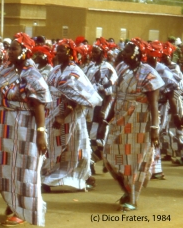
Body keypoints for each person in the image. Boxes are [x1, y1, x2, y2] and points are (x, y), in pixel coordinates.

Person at [0, 32, 50, 226]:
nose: (9, 51)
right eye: (9, 48)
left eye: (14, 48)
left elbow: (38, 104)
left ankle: (22, 211)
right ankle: (13, 201)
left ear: (25, 51)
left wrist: (41, 133)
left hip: (24, 126)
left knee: (23, 170)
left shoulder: (32, 75)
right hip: (4, 125)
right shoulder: (7, 71)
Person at [103, 38, 164, 212]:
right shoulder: (123, 69)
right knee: (109, 155)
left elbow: (153, 103)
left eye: (128, 51)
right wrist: (108, 119)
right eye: (124, 51)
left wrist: (154, 129)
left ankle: (133, 199)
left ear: (137, 54)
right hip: (120, 120)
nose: (124, 54)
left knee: (134, 162)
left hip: (140, 122)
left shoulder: (148, 72)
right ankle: (127, 190)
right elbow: (117, 98)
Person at [41, 39, 102, 192]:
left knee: (76, 148)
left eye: (62, 50)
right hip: (52, 112)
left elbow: (77, 96)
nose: (58, 53)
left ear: (69, 53)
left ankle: (80, 178)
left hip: (70, 116)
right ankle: (48, 177)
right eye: (58, 50)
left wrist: (63, 115)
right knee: (54, 145)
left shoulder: (75, 72)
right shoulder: (55, 70)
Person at [82, 37, 117, 175]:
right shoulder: (90, 66)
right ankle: (92, 164)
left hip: (100, 107)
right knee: (90, 138)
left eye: (96, 52)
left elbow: (109, 93)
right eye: (93, 51)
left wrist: (104, 111)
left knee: (99, 139)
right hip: (89, 107)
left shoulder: (107, 69)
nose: (93, 54)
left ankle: (106, 160)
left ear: (103, 53)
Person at [146, 41, 180, 179]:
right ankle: (152, 168)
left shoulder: (162, 70)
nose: (149, 58)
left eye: (152, 56)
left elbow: (171, 95)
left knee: (155, 135)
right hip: (145, 106)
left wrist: (176, 113)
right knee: (148, 136)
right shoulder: (144, 68)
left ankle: (156, 169)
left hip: (161, 106)